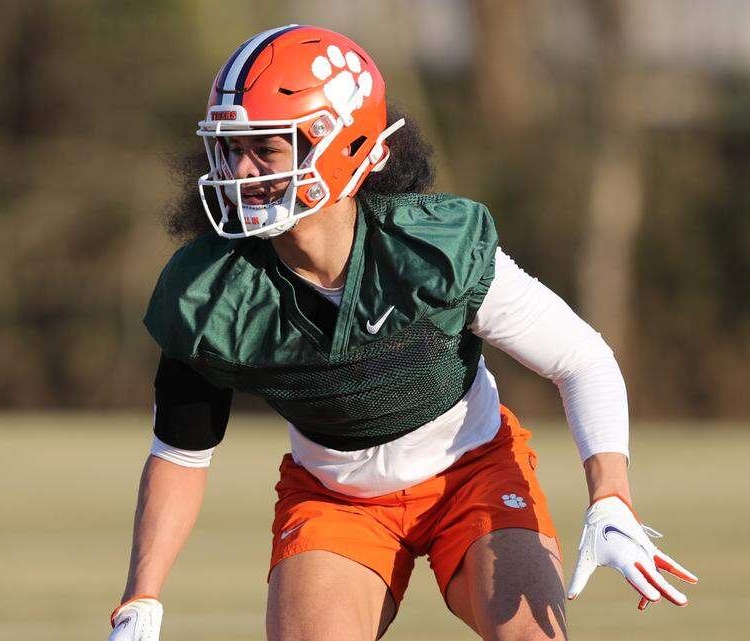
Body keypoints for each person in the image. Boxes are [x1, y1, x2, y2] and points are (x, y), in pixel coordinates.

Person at [107, 24, 697, 641]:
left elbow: (580, 357)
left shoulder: (433, 249)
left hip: (472, 474)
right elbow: (180, 453)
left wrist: (612, 498)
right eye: (230, 149)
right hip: (335, 499)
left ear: (342, 146)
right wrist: (140, 600)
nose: (240, 171)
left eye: (265, 148)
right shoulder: (214, 290)